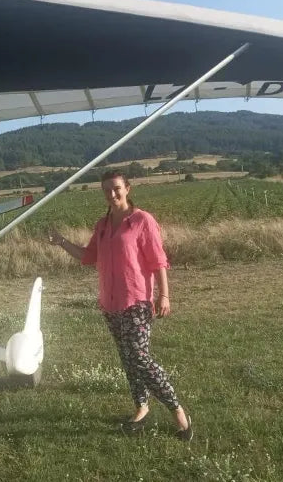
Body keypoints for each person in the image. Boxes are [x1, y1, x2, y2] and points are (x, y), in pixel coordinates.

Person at [48, 170, 192, 440]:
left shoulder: (141, 221)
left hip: (136, 300)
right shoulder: (102, 226)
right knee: (128, 359)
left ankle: (177, 411)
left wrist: (164, 295)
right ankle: (141, 407)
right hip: (110, 303)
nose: (111, 194)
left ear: (128, 188)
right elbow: (89, 256)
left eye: (116, 188)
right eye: (106, 190)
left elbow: (158, 260)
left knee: (140, 357)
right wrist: (62, 242)